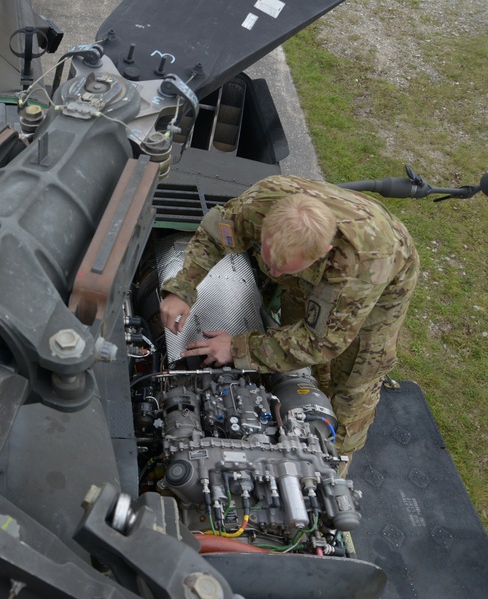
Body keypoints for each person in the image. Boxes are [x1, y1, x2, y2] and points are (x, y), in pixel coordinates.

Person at [159, 174, 419, 462]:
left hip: (380, 283)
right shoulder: (261, 203)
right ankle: (302, 393)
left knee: (355, 378)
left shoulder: (362, 264)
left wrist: (237, 348)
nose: (276, 274)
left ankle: (332, 460)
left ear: (324, 253)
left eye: (287, 270)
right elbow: (213, 234)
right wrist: (182, 289)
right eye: (270, 263)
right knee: (295, 353)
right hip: (316, 274)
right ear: (264, 228)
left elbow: (322, 343)